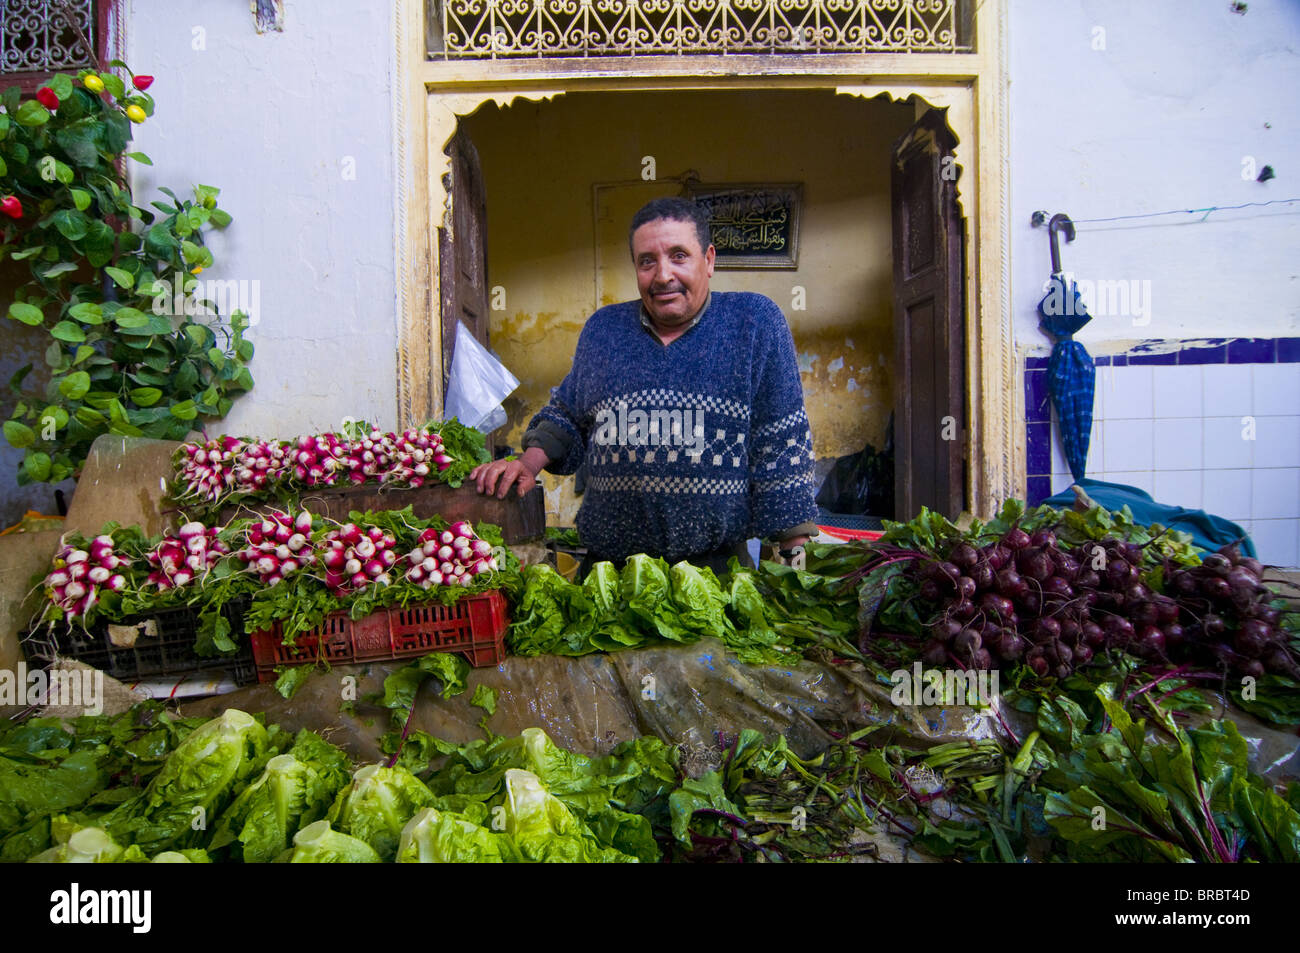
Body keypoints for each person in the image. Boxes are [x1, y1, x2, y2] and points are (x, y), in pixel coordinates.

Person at [471, 197, 818, 577]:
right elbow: (569, 413)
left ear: (709, 260)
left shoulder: (754, 323)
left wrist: (795, 564)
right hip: (609, 576)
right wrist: (527, 462)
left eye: (679, 255)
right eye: (647, 261)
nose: (663, 275)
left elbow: (781, 447)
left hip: (716, 577)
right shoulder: (604, 330)